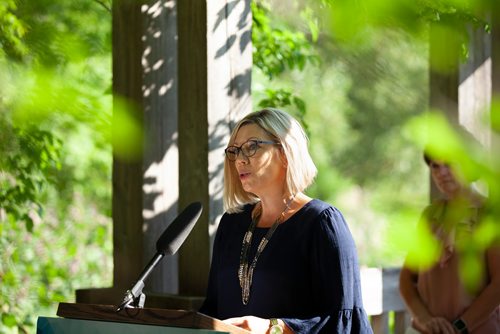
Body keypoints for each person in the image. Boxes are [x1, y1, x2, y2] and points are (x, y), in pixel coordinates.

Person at [199, 108, 372, 333]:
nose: (240, 159)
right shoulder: (232, 224)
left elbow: (343, 322)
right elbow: (213, 309)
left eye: (252, 146)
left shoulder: (322, 223)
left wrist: (274, 328)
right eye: (235, 150)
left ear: (284, 152)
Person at [399, 136, 500, 334]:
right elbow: (406, 279)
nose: (441, 173)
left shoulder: (490, 215)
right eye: (435, 166)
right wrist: (425, 320)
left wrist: (461, 326)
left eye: (449, 164)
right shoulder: (430, 215)